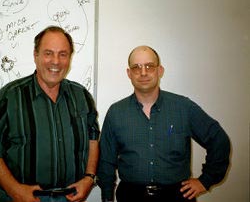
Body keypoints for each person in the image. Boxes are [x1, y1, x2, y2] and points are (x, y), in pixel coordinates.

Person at [0, 26, 100, 202]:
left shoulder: (81, 95)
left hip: (69, 198)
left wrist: (89, 178)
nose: (56, 61)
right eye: (48, 53)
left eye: (63, 54)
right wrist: (14, 190)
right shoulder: (10, 97)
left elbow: (92, 138)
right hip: (18, 198)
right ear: (35, 55)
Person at [97, 45, 230, 202]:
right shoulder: (116, 112)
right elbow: (106, 160)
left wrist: (205, 181)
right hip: (131, 196)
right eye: (136, 67)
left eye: (149, 66)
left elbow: (219, 141)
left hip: (177, 196)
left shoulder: (183, 107)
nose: (143, 72)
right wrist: (107, 197)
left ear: (160, 71)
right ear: (129, 73)